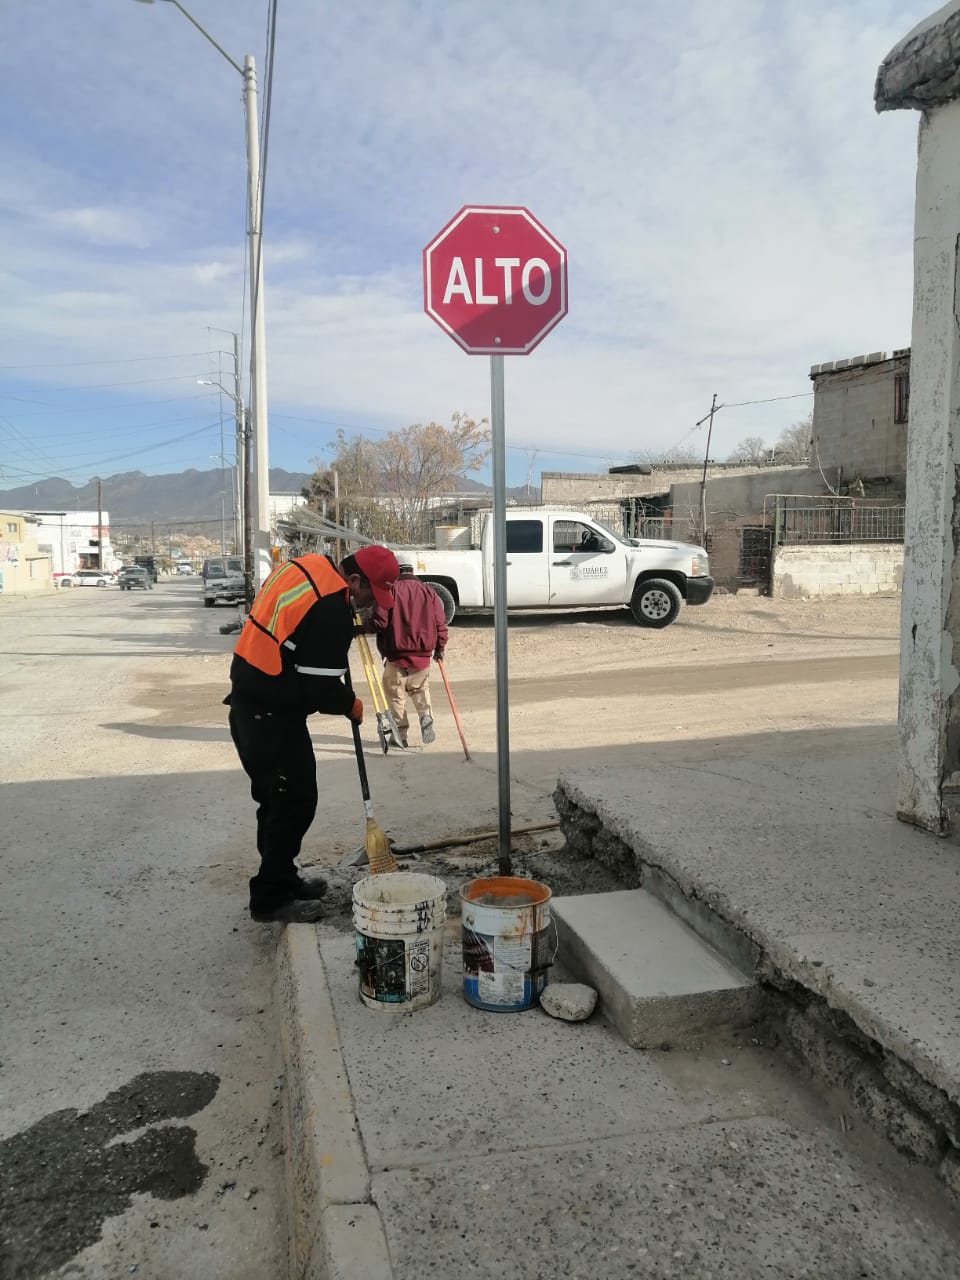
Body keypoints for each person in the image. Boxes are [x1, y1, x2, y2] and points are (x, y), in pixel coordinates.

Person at [226, 545, 400, 923]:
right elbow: (320, 689)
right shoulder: (331, 608)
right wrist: (350, 703)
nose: (371, 604)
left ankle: (284, 878)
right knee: (291, 803)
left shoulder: (309, 567)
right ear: (353, 580)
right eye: (371, 594)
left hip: (258, 704)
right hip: (267, 715)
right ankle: (270, 899)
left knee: (281, 801)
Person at [371, 556, 448, 749]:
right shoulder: (429, 592)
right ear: (412, 571)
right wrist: (440, 647)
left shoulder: (389, 590)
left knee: (396, 695)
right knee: (420, 689)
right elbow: (440, 622)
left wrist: (361, 625)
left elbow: (379, 622)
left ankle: (400, 734)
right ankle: (425, 716)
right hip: (422, 655)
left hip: (396, 656)